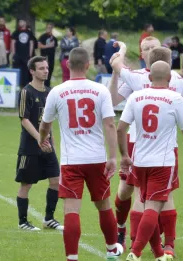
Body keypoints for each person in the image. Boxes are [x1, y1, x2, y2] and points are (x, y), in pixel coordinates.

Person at [109, 41, 183, 258]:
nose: (148, 51)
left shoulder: (137, 79)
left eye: (151, 47)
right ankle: (159, 246)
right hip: (163, 150)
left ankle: (145, 245)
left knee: (145, 197)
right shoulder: (175, 82)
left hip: (139, 147)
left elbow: (117, 65)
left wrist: (120, 50)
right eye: (145, 47)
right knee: (154, 197)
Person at [38, 47, 125, 261]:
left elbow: (45, 125)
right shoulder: (100, 90)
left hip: (71, 161)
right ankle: (112, 249)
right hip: (96, 159)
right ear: (88, 65)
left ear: (67, 65)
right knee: (103, 205)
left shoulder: (57, 91)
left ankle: (72, 257)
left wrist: (42, 140)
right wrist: (113, 157)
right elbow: (110, 124)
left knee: (71, 211)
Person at [118, 61, 183, 261]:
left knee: (143, 204)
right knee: (154, 208)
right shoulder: (174, 98)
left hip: (139, 160)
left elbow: (120, 128)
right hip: (162, 162)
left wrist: (125, 155)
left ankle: (160, 254)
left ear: (149, 78)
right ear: (170, 79)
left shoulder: (136, 96)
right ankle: (135, 252)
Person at [15, 56, 63, 231]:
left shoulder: (50, 93)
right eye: (41, 68)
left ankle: (49, 219)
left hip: (47, 146)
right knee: (26, 184)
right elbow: (24, 119)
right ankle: (23, 222)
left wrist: (53, 144)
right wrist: (39, 138)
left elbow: (49, 122)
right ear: (32, 71)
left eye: (46, 67)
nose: (45, 70)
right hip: (30, 147)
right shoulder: (26, 92)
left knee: (56, 180)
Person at [12, 20, 37, 87]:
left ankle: (25, 85)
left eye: (22, 22)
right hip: (18, 55)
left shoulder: (29, 32)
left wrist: (30, 54)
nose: (21, 23)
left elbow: (31, 43)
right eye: (19, 22)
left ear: (25, 23)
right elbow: (13, 42)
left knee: (25, 71)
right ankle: (17, 84)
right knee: (17, 69)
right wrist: (13, 53)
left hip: (26, 55)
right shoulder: (16, 32)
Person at [38, 23, 58, 87]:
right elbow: (39, 46)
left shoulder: (54, 38)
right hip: (44, 58)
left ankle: (47, 86)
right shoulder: (42, 37)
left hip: (51, 58)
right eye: (47, 28)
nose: (48, 29)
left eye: (50, 28)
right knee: (43, 72)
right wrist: (48, 45)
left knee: (49, 72)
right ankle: (41, 85)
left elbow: (55, 47)